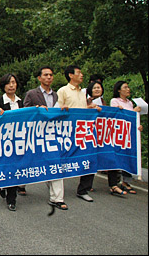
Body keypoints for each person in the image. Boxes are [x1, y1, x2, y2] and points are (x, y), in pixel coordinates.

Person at [23, 66, 68, 210]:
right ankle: (18, 184)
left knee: (56, 163)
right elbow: (24, 112)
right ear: (39, 78)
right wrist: (36, 110)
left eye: (51, 75)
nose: (49, 77)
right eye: (46, 75)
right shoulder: (31, 93)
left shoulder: (56, 96)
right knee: (29, 162)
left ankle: (57, 198)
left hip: (51, 135)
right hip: (35, 135)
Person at [57, 65, 101, 202]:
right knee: (61, 159)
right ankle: (55, 190)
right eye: (79, 73)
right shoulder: (63, 91)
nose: (82, 75)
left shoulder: (83, 93)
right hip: (66, 132)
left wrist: (91, 108)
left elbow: (81, 110)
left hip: (83, 131)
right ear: (71, 75)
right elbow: (57, 111)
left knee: (89, 157)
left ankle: (83, 189)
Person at [0, 73, 24, 211]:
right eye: (8, 83)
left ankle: (12, 199)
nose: (11, 85)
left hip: (18, 141)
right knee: (5, 166)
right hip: (4, 141)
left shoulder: (20, 102)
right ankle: (3, 185)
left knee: (15, 168)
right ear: (3, 86)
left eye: (13, 82)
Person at [110, 80, 143, 195]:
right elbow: (119, 116)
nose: (128, 89)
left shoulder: (129, 103)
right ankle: (113, 183)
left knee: (128, 156)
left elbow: (131, 120)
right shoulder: (114, 101)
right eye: (125, 87)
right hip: (118, 134)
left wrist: (138, 126)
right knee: (117, 157)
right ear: (119, 90)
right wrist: (134, 112)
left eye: (128, 87)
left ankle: (126, 182)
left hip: (129, 134)